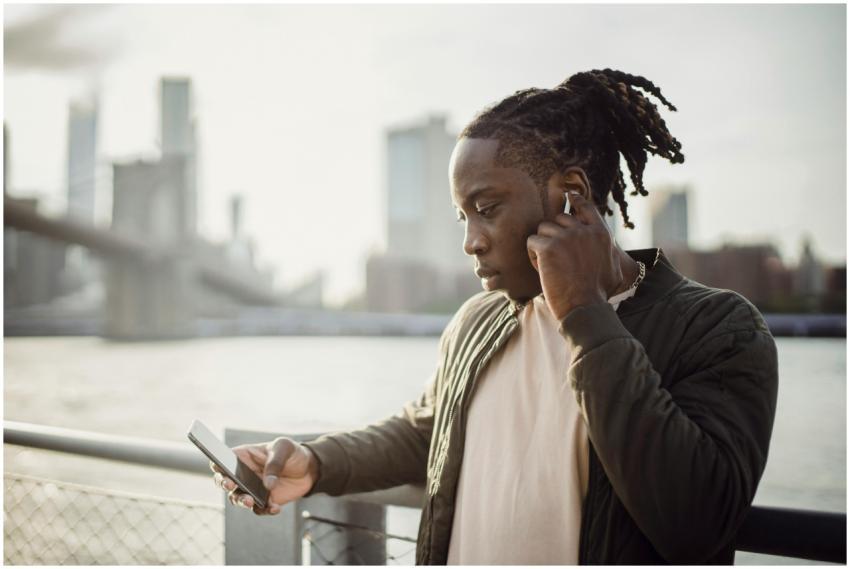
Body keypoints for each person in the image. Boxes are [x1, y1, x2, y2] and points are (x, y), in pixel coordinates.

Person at [210, 68, 778, 564]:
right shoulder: (478, 320)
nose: (470, 242)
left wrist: (582, 310)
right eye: (463, 216)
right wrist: (313, 462)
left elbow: (696, 525)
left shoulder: (717, 328)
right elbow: (425, 432)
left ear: (570, 195)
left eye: (486, 210)